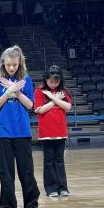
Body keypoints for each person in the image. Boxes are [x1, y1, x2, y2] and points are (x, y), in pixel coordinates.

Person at [0, 45, 40, 208]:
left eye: (15, 65)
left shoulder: (26, 80)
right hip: (4, 132)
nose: (12, 68)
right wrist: (8, 92)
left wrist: (17, 91)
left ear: (20, 63)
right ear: (3, 63)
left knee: (27, 172)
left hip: (22, 131)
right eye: (9, 64)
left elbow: (30, 105)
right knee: (6, 173)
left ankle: (31, 207)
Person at [33, 65, 72, 197]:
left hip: (60, 131)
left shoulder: (64, 91)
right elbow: (40, 110)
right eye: (51, 81)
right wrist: (56, 100)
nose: (54, 84)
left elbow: (67, 107)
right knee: (49, 160)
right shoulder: (39, 91)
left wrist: (53, 98)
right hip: (46, 133)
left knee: (59, 160)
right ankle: (51, 188)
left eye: (57, 81)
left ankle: (63, 187)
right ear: (46, 79)